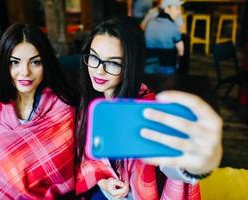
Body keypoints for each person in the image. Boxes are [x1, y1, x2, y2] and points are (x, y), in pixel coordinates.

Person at [76, 17, 222, 199]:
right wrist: (102, 180)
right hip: (103, 189)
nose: (98, 70)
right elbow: (90, 158)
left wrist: (196, 166)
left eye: (113, 63)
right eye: (94, 57)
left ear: (131, 65)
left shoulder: (147, 110)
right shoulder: (90, 100)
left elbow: (170, 165)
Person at [0, 23, 78, 199]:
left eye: (35, 62)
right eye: (14, 62)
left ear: (46, 63)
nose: (25, 72)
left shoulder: (62, 105)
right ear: (4, 64)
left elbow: (67, 166)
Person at [144, 0, 185, 75]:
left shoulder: (150, 23)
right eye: (176, 8)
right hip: (167, 65)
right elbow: (181, 51)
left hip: (149, 64)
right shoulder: (173, 26)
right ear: (167, 9)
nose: (179, 11)